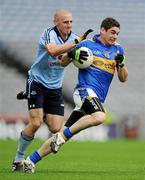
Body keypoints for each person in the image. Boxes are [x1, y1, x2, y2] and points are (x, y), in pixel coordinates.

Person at [23, 17, 128, 173]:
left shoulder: (118, 50)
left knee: (63, 135)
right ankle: (60, 138)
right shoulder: (86, 45)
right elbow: (63, 62)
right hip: (84, 92)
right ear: (102, 30)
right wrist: (71, 53)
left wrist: (122, 65)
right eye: (112, 32)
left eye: (117, 34)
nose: (115, 36)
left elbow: (123, 78)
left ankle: (30, 161)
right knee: (100, 117)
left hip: (95, 98)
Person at [12, 8, 93, 172]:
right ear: (56, 22)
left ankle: (28, 96)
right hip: (37, 82)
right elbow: (53, 51)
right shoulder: (49, 34)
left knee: (55, 128)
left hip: (55, 87)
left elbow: (63, 61)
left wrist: (74, 55)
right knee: (35, 123)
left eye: (71, 22)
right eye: (65, 22)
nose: (69, 25)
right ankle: (19, 159)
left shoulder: (74, 37)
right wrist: (76, 43)